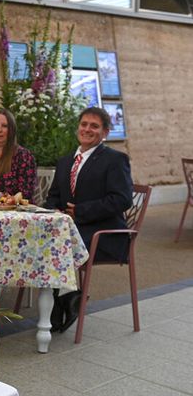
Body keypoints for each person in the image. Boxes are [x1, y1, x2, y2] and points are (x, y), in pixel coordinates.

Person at [45, 106, 133, 332]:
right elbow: (53, 197)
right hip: (70, 233)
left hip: (103, 235)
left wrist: (81, 211)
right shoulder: (66, 161)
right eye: (84, 124)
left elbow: (122, 199)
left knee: (56, 246)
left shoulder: (115, 160)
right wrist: (55, 211)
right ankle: (65, 298)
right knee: (41, 241)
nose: (87, 129)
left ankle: (61, 301)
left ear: (105, 133)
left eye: (94, 126)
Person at [0, 109, 37, 200]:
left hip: (16, 211)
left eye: (5, 126)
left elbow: (26, 192)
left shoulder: (23, 156)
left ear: (11, 130)